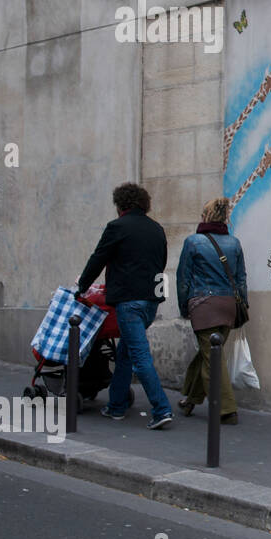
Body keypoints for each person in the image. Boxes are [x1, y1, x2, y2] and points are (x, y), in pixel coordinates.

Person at [76, 182, 173, 429]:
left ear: (120, 205)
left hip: (129, 302)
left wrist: (82, 285)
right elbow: (161, 263)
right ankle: (116, 406)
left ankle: (161, 409)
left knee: (139, 357)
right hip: (151, 301)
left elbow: (98, 258)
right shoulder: (157, 229)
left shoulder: (117, 227)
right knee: (125, 354)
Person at [175, 197, 246, 425]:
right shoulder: (234, 243)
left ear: (205, 216)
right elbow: (241, 278)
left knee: (211, 358)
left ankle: (226, 409)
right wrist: (242, 304)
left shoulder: (193, 242)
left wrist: (184, 305)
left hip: (203, 305)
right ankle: (190, 400)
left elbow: (183, 278)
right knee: (209, 354)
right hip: (228, 306)